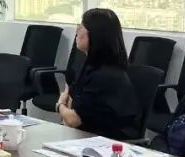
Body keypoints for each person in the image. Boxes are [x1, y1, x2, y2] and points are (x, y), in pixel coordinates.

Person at [57, 8, 142, 141]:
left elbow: (73, 119)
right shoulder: (90, 65)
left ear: (94, 35)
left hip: (110, 142)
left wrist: (60, 104)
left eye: (80, 28)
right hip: (88, 136)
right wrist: (66, 111)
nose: (77, 32)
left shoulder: (104, 75)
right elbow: (73, 105)